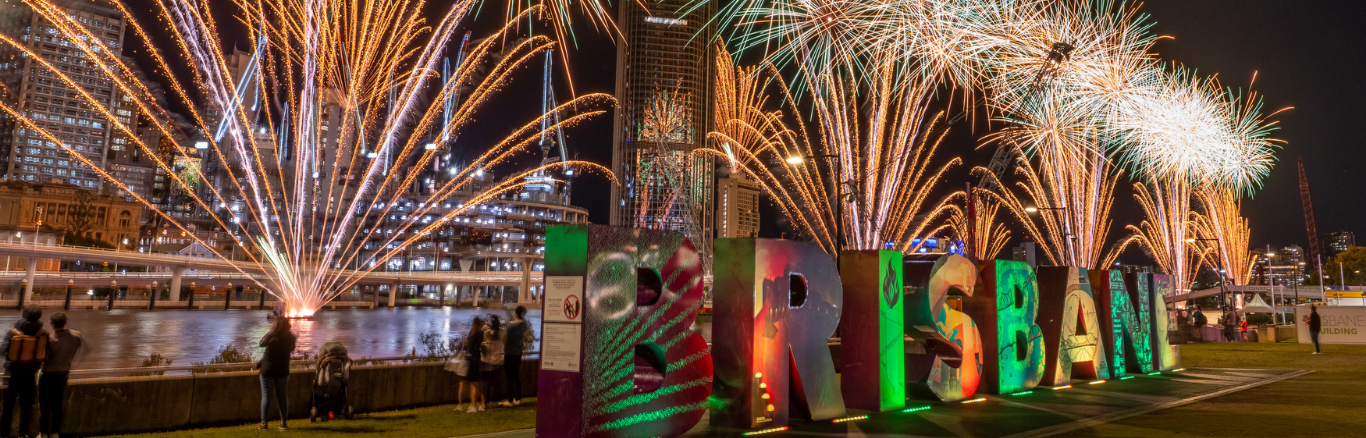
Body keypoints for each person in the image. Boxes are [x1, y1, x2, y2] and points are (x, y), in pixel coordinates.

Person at [1, 305, 45, 438]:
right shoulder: (42, 333)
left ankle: (4, 433)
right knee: (26, 408)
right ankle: (23, 434)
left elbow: (2, 350)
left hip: (12, 376)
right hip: (30, 376)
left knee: (7, 408)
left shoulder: (13, 332)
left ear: (24, 316)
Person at [40, 312, 83, 438]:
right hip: (63, 374)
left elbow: (44, 358)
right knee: (58, 404)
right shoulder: (76, 335)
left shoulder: (50, 339)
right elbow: (85, 349)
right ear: (65, 323)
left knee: (44, 405)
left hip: (48, 374)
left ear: (51, 324)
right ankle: (55, 432)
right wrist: (75, 363)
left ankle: (43, 433)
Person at [258, 317, 297, 430]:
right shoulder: (291, 337)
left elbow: (261, 343)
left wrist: (270, 331)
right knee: (282, 397)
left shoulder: (271, 336)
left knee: (266, 397)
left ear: (276, 325)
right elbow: (292, 348)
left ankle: (264, 423)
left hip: (268, 370)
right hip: (283, 370)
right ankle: (283, 423)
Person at [501, 306, 530, 407]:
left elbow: (504, 338)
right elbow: (517, 320)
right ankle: (517, 398)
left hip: (509, 353)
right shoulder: (524, 324)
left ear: (516, 314)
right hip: (518, 353)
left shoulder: (510, 326)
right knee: (516, 376)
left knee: (508, 377)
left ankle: (510, 400)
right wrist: (508, 312)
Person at [464, 317, 487, 413]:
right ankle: (480, 404)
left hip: (472, 360)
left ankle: (473, 405)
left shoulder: (472, 334)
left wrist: (465, 345)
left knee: (473, 384)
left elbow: (468, 349)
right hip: (478, 359)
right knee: (478, 384)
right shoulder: (481, 334)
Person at [483, 315, 506, 407]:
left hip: (489, 359)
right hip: (499, 359)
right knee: (497, 381)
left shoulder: (487, 332)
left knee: (487, 382)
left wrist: (485, 325)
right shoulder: (503, 332)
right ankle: (499, 399)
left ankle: (485, 401)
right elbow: (504, 341)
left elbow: (484, 343)